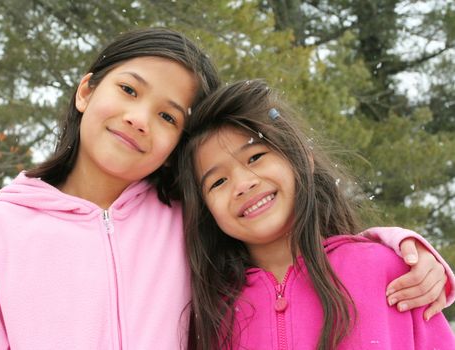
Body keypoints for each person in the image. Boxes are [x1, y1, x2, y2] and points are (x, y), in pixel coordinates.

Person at [0, 29, 453, 349]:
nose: (139, 119)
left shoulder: (184, 217)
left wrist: (397, 245)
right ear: (87, 90)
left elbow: (284, 251)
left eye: (167, 115)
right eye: (129, 90)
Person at [177, 79, 455, 349]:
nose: (242, 184)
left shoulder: (389, 273)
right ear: (205, 210)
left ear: (302, 158)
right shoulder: (211, 316)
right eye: (218, 182)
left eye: (255, 157)